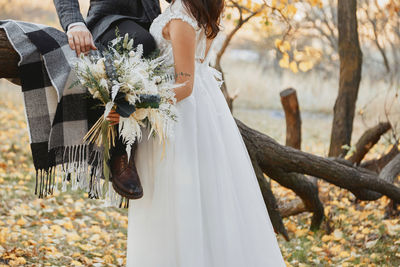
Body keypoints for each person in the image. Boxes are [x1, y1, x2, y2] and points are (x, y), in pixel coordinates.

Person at [108, 0, 287, 265]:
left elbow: (185, 84)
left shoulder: (181, 17)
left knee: (175, 201)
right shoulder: (197, 12)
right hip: (200, 112)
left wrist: (135, 103)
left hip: (179, 117)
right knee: (199, 199)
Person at [53, 0, 169, 200]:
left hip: (154, 22)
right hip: (109, 22)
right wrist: (75, 23)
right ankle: (120, 152)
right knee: (141, 42)